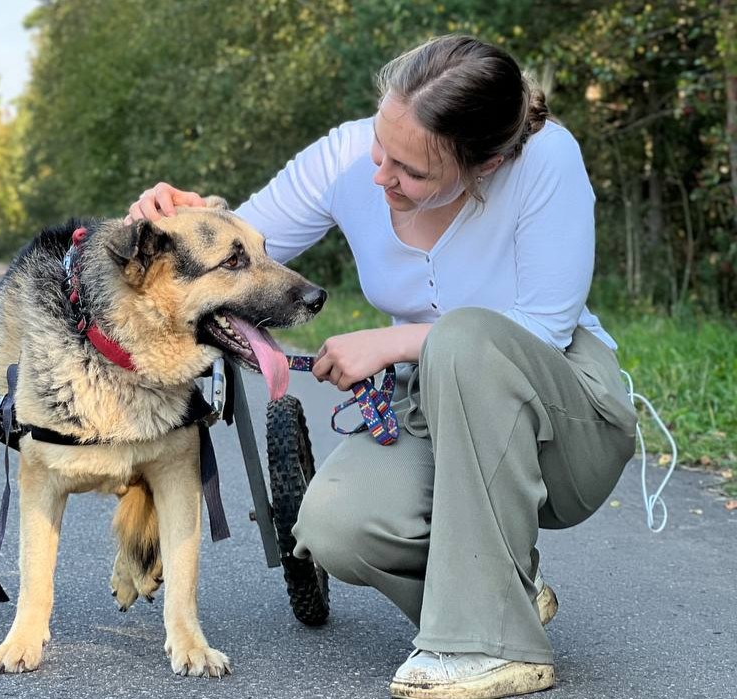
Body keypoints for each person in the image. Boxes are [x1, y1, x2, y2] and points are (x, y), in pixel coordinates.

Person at [127, 34, 638, 699]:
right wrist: (170, 218)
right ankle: (502, 587)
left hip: (567, 422)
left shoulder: (545, 163)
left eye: (410, 170)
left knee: (460, 341)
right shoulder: (348, 158)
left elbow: (541, 330)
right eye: (380, 147)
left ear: (483, 164)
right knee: (336, 526)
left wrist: (393, 344)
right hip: (435, 403)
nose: (380, 176)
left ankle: (494, 644)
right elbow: (234, 248)